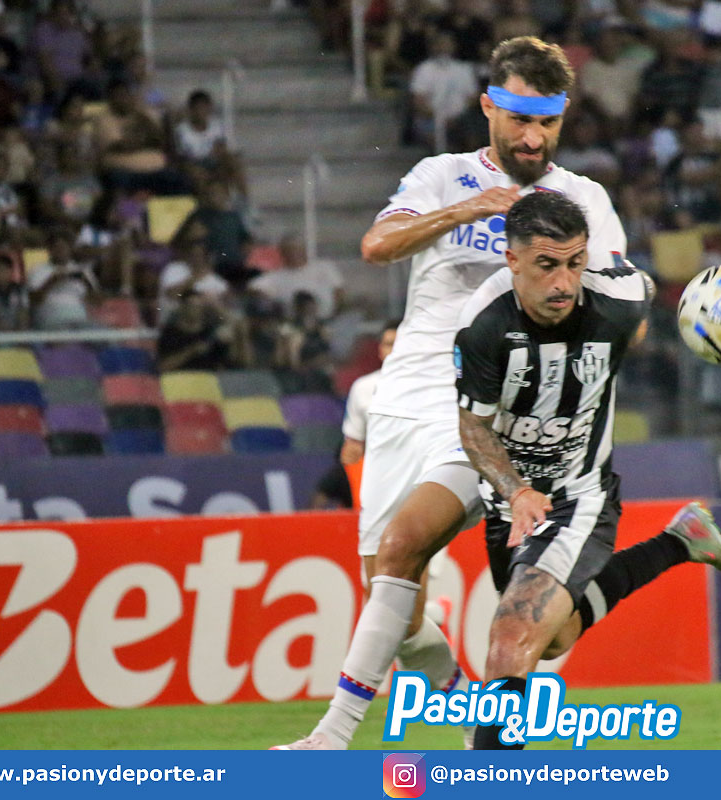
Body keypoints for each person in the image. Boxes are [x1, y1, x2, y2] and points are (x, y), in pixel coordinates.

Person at [272, 35, 626, 751]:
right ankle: (482, 723)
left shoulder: (583, 199)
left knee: (403, 546)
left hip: (483, 408)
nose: (534, 137)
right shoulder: (442, 176)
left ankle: (330, 739)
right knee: (396, 606)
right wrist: (467, 212)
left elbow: (614, 297)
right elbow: (378, 246)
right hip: (400, 402)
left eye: (548, 123)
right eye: (520, 119)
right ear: (488, 106)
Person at [455, 192, 721, 750]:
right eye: (546, 265)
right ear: (512, 260)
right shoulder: (484, 325)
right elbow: (474, 429)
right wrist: (515, 492)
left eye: (574, 263)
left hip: (579, 495)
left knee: (510, 635)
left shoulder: (618, 299)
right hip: (513, 501)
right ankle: (677, 544)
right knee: (553, 638)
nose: (564, 283)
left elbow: (643, 292)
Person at [340, 320, 399, 468]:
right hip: (380, 472)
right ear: (380, 350)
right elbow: (353, 447)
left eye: (401, 344)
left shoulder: (433, 386)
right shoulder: (363, 387)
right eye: (389, 344)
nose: (395, 350)